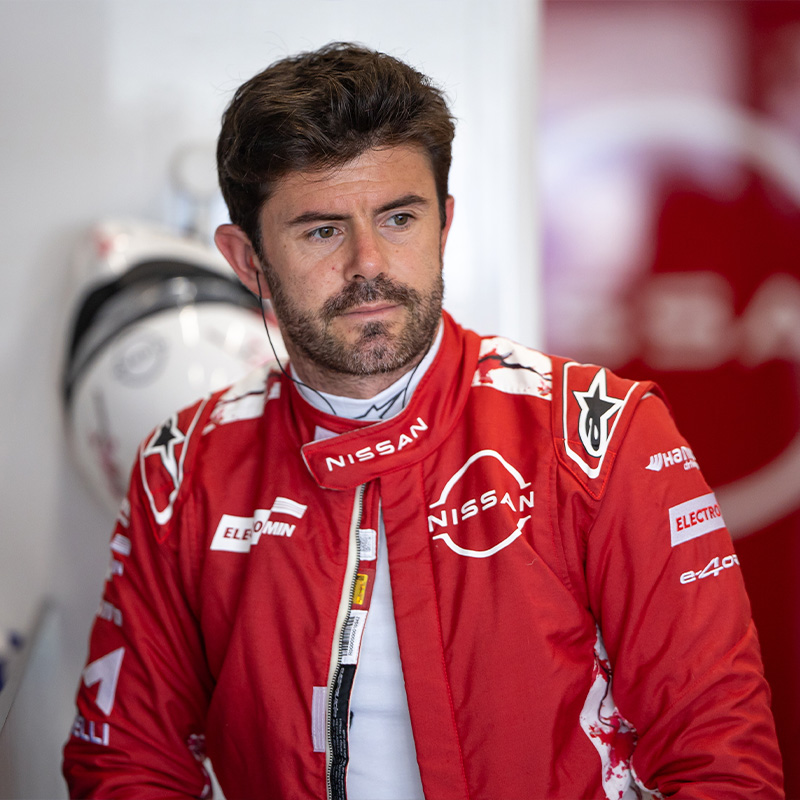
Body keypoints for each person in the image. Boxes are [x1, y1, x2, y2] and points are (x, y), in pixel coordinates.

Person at [62, 43, 785, 799]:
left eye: (399, 218)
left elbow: (721, 762)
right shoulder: (183, 468)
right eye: (321, 230)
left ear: (443, 226)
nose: (369, 263)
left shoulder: (598, 436)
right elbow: (125, 763)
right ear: (248, 262)